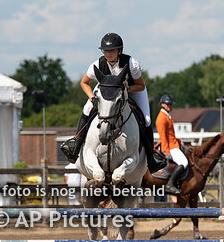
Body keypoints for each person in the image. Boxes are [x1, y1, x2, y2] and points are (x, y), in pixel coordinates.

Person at [61, 32, 166, 173]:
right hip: (105, 91)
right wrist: (92, 98)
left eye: (112, 50)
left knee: (146, 119)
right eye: (105, 50)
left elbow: (140, 85)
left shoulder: (131, 64)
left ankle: (151, 158)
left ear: (119, 51)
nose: (108, 53)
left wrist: (126, 89)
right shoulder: (97, 64)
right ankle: (76, 144)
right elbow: (84, 82)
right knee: (86, 109)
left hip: (132, 89)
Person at [155, 94, 188, 194]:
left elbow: (171, 135)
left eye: (171, 104)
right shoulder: (162, 118)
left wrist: (181, 143)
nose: (170, 106)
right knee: (184, 163)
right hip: (170, 147)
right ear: (162, 104)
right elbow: (163, 137)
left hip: (174, 144)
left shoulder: (167, 116)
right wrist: (166, 151)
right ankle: (170, 184)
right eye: (168, 104)